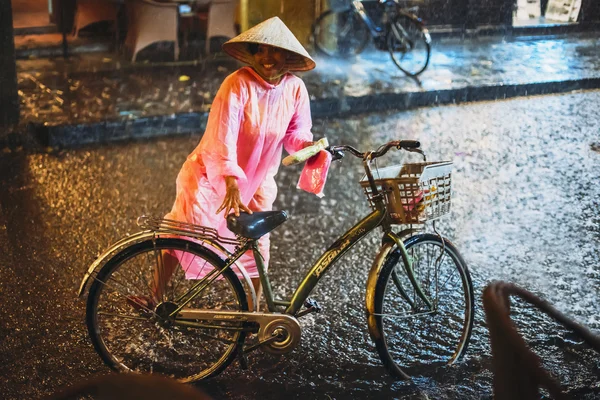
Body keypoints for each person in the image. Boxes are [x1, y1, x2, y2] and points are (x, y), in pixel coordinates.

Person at [129, 17, 318, 312]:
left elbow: (297, 134)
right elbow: (222, 136)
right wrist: (229, 180)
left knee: (258, 246)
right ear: (252, 54)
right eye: (260, 51)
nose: (266, 59)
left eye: (274, 51)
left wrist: (311, 148)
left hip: (257, 180)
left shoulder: (295, 89)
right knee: (182, 231)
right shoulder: (237, 84)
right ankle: (154, 297)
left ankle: (257, 314)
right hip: (212, 175)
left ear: (288, 55)